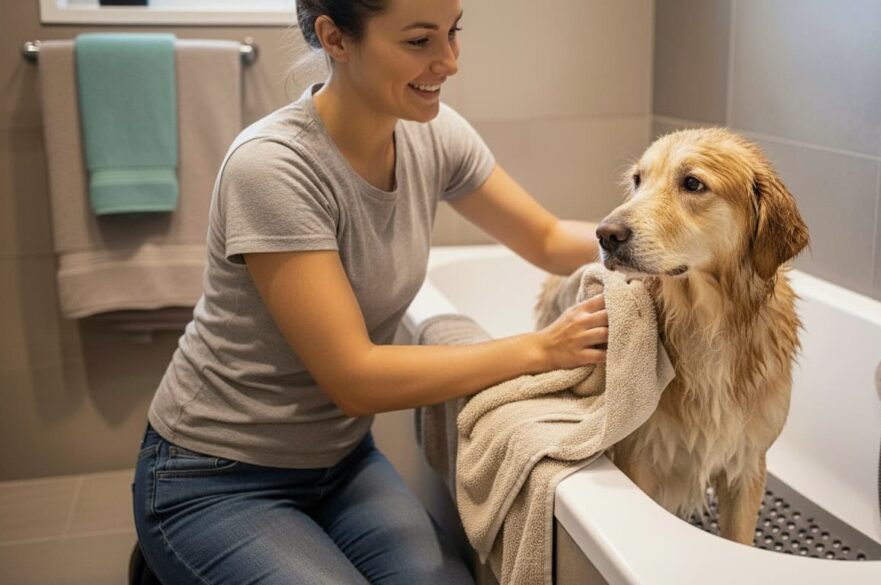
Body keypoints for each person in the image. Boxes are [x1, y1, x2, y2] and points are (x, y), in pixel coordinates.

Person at [131, 0, 608, 583]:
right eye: (419, 42)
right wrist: (541, 350)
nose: (449, 62)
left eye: (453, 33)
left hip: (342, 465)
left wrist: (670, 245)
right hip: (216, 476)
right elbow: (353, 379)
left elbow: (550, 238)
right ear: (335, 38)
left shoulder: (433, 135)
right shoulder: (274, 168)